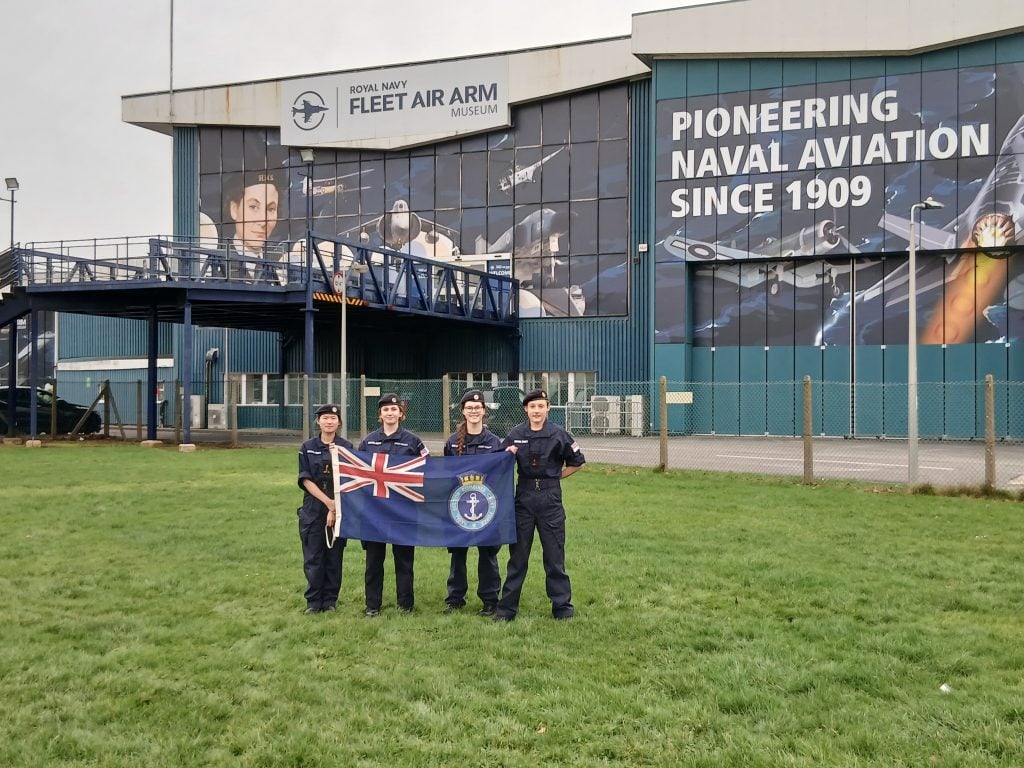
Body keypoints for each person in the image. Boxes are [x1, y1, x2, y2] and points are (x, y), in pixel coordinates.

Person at [494, 389, 585, 622]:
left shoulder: (559, 434)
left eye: (541, 406)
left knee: (554, 557)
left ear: (548, 409)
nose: (537, 411)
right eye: (532, 407)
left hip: (550, 499)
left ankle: (562, 608)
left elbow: (577, 462)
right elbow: (498, 461)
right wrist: (507, 453)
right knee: (517, 558)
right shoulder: (515, 434)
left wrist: (556, 476)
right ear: (526, 409)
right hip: (523, 498)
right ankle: (506, 610)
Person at [358, 393, 428, 616]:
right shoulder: (368, 442)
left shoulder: (413, 441)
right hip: (374, 512)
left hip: (403, 511)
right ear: (379, 415)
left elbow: (428, 469)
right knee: (373, 561)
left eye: (394, 409)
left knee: (404, 560)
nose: (390, 413)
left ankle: (405, 605)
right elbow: (357, 471)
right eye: (386, 410)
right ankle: (372, 605)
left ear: (401, 414)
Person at [442, 389, 504, 616]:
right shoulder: (452, 443)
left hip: (486, 506)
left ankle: (490, 600)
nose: (474, 411)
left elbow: (500, 474)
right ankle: (455, 599)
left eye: (478, 407)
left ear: (484, 411)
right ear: (463, 411)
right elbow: (446, 474)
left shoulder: (494, 442)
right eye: (469, 408)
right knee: (458, 554)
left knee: (487, 553)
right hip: (459, 506)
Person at [296, 403, 354, 614]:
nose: (329, 422)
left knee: (334, 557)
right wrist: (328, 503)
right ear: (318, 421)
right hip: (314, 508)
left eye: (333, 418)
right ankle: (313, 602)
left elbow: (349, 480)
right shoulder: (308, 447)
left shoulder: (346, 447)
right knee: (313, 557)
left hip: (339, 508)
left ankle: (330, 601)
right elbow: (306, 480)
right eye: (325, 418)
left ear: (339, 423)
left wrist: (334, 508)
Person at [207, 171, 286, 284]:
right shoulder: (215, 261)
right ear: (234, 209)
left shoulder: (279, 262)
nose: (262, 221)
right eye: (253, 207)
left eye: (271, 209)